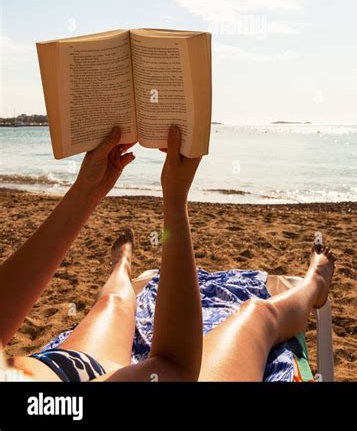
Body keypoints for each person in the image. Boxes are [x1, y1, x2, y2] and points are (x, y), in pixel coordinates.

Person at [1, 125, 334, 382]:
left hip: (55, 370)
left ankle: (123, 263)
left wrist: (88, 189)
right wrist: (175, 196)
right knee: (257, 314)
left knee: (114, 302)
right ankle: (314, 285)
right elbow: (174, 366)